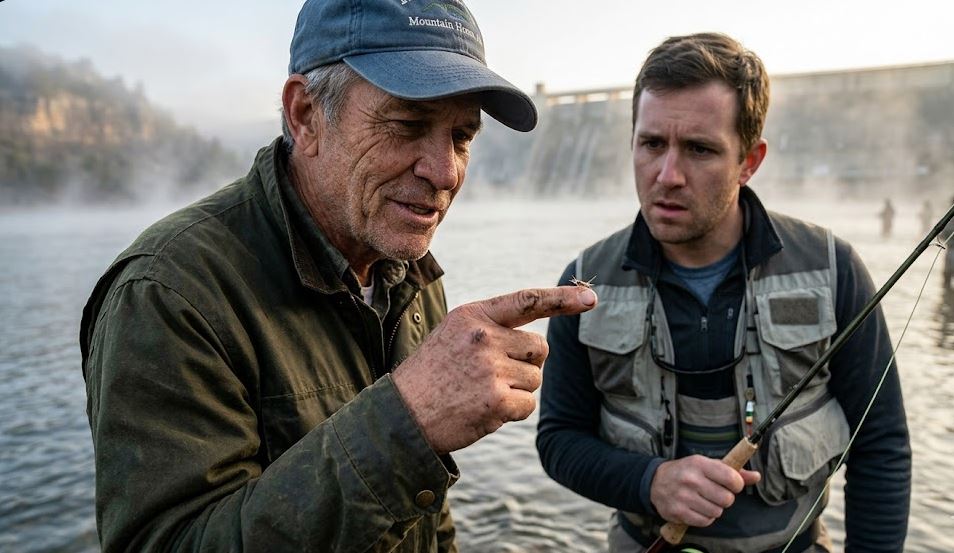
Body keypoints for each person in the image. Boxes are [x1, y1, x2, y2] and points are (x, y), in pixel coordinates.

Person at [79, 1, 598, 551]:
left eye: (462, 137)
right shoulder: (168, 293)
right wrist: (408, 420)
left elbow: (426, 517)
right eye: (406, 125)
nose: (445, 171)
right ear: (305, 115)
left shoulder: (411, 272)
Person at [536, 33, 910, 553]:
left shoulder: (834, 270)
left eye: (699, 149)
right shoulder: (583, 285)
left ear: (750, 160)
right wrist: (650, 482)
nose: (667, 176)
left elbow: (881, 444)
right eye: (651, 145)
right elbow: (558, 440)